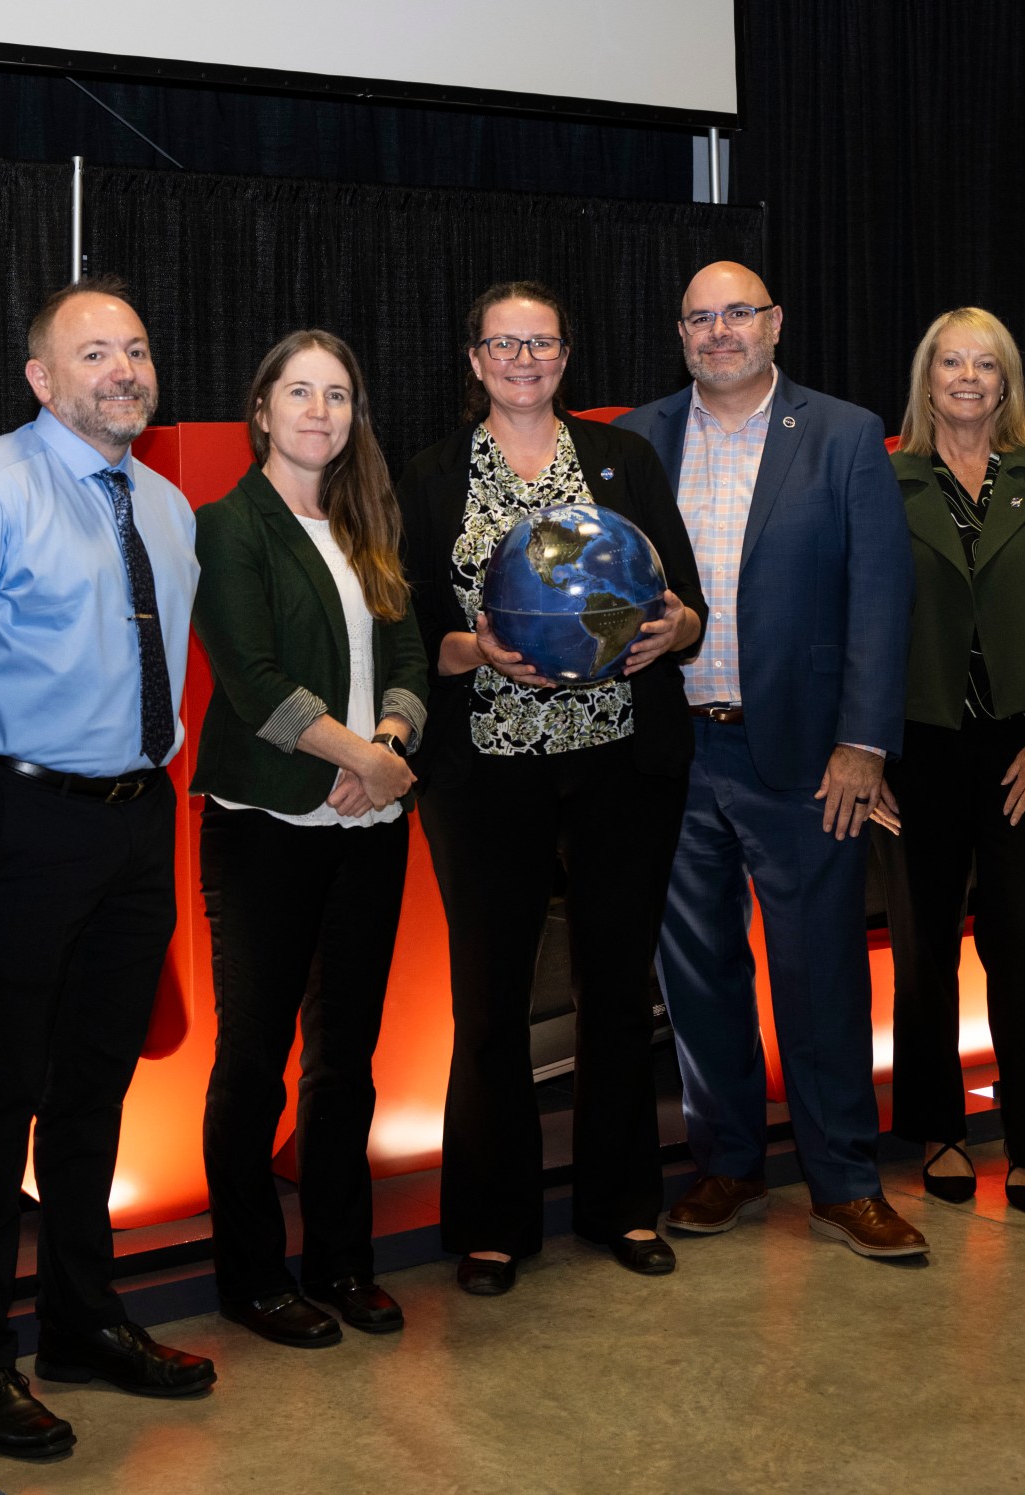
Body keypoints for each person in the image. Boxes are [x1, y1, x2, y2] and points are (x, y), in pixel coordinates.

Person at [0, 275, 213, 1460]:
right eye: (93, 354)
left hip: (139, 824)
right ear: (41, 378)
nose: (122, 370)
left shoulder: (169, 508)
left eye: (135, 349)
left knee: (94, 1094)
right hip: (20, 819)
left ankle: (82, 1320)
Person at [398, 281, 707, 1295]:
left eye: (540, 342)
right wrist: (459, 647)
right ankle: (494, 1224)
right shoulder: (432, 477)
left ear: (565, 357)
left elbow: (686, 607)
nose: (522, 359)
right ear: (474, 359)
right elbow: (401, 627)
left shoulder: (622, 461)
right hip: (484, 770)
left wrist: (676, 633)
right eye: (502, 343)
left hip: (619, 759)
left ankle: (622, 1206)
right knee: (487, 1001)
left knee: (615, 991)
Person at [616, 261, 926, 1258]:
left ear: (774, 323)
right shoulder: (636, 438)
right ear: (679, 334)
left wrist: (861, 744)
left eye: (735, 314)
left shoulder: (839, 434)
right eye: (698, 318)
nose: (717, 332)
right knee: (697, 975)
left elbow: (879, 598)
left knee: (819, 970)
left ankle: (841, 1179)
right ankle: (726, 1163)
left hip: (802, 757)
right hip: (671, 749)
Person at [192, 330, 428, 1347]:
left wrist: (387, 739)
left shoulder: (365, 523)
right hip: (266, 835)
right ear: (260, 409)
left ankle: (340, 1262)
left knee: (347, 1061)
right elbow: (249, 680)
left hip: (367, 832)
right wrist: (364, 760)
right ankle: (249, 1276)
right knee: (253, 1060)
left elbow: (411, 648)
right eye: (299, 391)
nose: (319, 411)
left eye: (337, 394)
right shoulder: (227, 525)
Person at [881, 307, 1025, 1215]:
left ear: (1007, 383)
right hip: (916, 748)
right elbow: (855, 618)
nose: (968, 379)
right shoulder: (885, 477)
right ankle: (938, 1129)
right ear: (927, 379)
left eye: (987, 365)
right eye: (951, 363)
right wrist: (862, 746)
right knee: (925, 944)